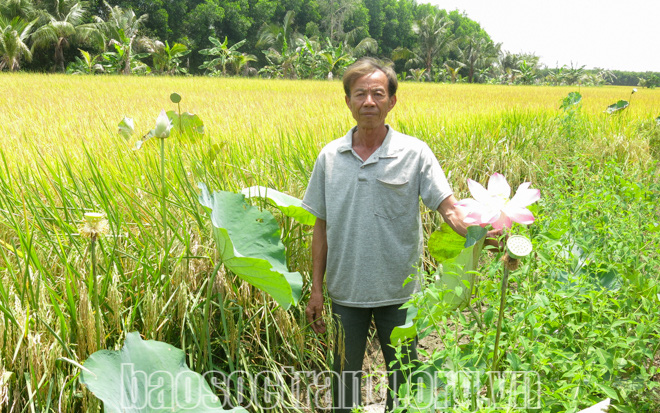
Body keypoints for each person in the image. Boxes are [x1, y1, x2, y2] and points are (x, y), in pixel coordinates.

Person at [302, 57, 495, 412]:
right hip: (346, 293)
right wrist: (316, 289)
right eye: (360, 94)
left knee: (404, 383)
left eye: (378, 93)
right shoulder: (329, 157)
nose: (369, 102)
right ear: (347, 101)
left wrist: (487, 232)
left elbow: (449, 208)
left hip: (401, 294)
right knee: (344, 381)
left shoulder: (414, 153)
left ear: (392, 101)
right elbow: (321, 226)